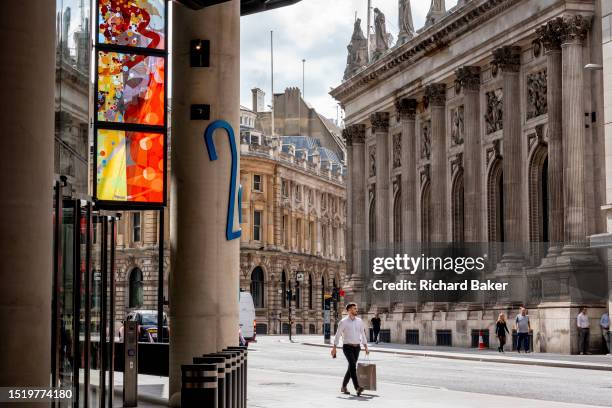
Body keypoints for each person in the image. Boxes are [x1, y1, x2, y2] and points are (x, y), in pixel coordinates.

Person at [331, 302, 369, 396]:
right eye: (354, 308)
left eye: (356, 308)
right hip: (347, 347)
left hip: (357, 347)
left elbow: (362, 334)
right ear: (349, 310)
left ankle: (343, 386)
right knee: (352, 365)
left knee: (350, 368)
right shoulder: (343, 322)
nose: (356, 310)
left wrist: (366, 346)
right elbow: (337, 335)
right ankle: (357, 387)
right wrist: (334, 347)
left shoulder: (359, 321)